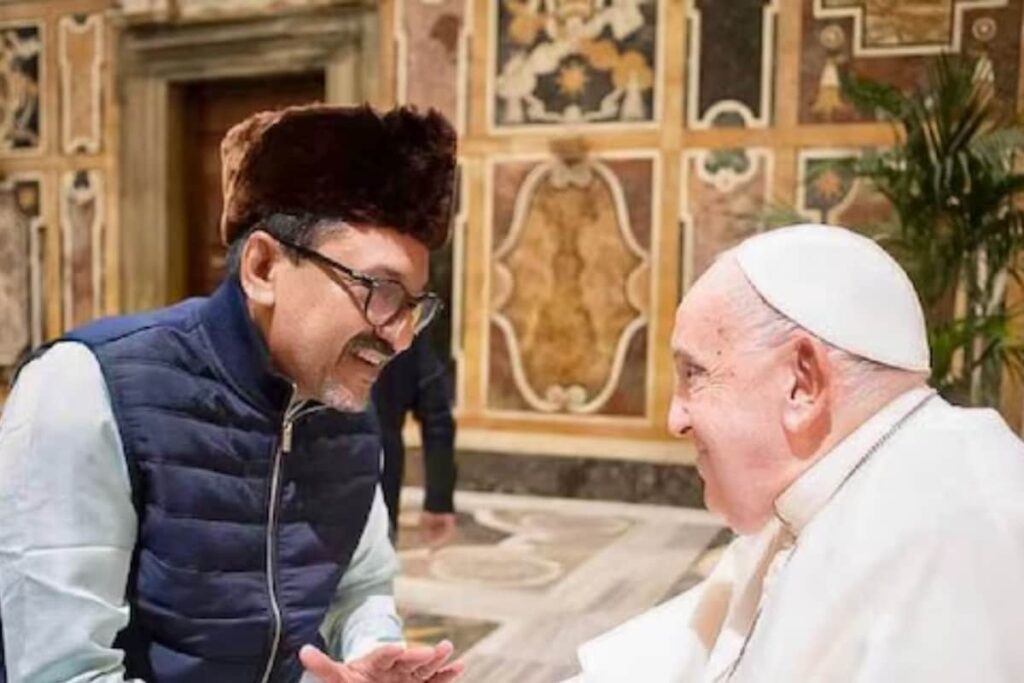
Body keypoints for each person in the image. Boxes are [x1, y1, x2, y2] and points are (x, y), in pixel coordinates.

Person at [0, 104, 465, 683]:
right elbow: (60, 673)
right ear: (264, 267)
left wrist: (368, 649)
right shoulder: (87, 388)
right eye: (380, 289)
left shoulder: (343, 407)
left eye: (414, 306)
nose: (397, 336)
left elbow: (361, 585)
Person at [569, 224, 1024, 682]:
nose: (675, 420)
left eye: (694, 372)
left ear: (803, 383)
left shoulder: (954, 538)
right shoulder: (830, 491)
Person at [372, 332, 458, 544]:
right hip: (379, 482)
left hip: (309, 491)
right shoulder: (401, 326)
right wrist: (439, 501)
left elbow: (437, 418)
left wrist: (439, 499)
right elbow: (438, 419)